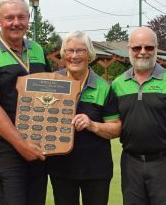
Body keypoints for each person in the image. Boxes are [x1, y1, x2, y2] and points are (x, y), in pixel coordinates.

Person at [0, 0, 51, 205]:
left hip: (38, 143)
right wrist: (21, 144)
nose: (16, 23)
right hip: (6, 148)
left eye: (21, 17)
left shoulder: (37, 49)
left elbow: (53, 93)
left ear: (28, 18)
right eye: (9, 18)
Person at [112, 26, 166, 205]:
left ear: (156, 49)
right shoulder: (118, 84)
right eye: (137, 48)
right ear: (129, 49)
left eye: (149, 47)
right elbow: (113, 123)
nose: (143, 52)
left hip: (164, 162)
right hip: (130, 163)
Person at [47, 31, 121, 205]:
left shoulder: (104, 87)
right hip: (61, 169)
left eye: (80, 50)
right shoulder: (51, 82)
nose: (74, 56)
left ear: (89, 54)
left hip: (96, 170)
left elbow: (116, 128)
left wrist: (92, 125)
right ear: (63, 54)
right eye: (70, 50)